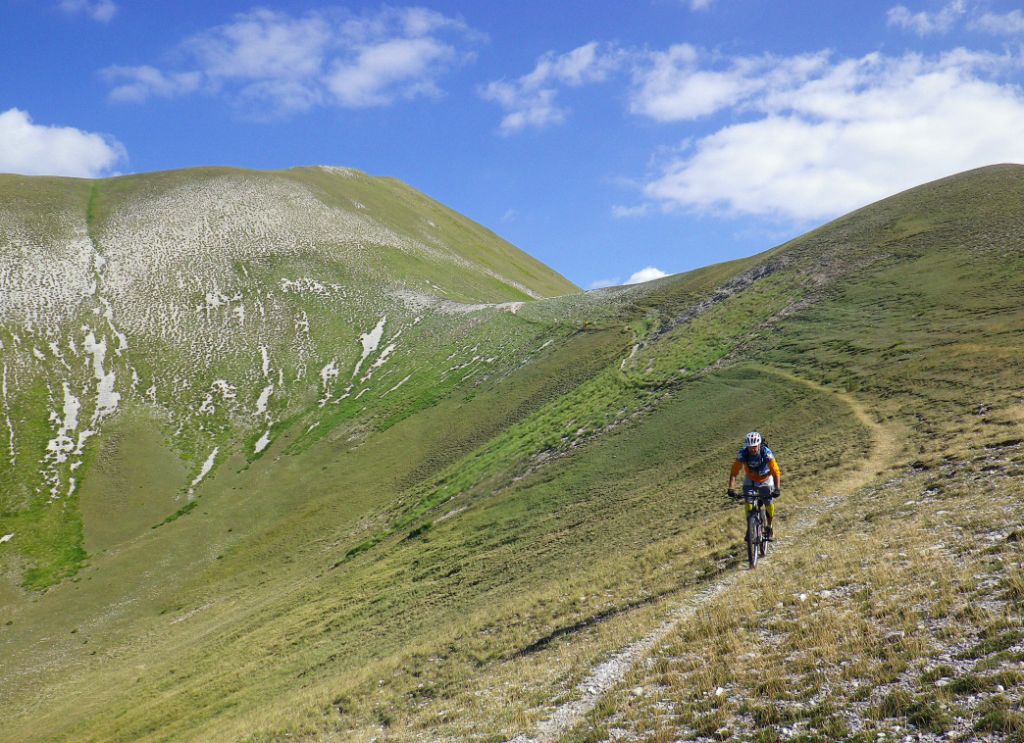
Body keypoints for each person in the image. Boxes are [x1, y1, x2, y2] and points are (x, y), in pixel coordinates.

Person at [727, 431, 781, 539]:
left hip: (766, 479)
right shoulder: (743, 454)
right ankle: (750, 527)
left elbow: (776, 472)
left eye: (755, 447)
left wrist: (777, 489)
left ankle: (769, 527)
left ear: (759, 445)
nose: (752, 449)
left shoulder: (766, 452)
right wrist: (731, 488)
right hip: (750, 479)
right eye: (750, 447)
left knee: (768, 503)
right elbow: (734, 472)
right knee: (748, 502)